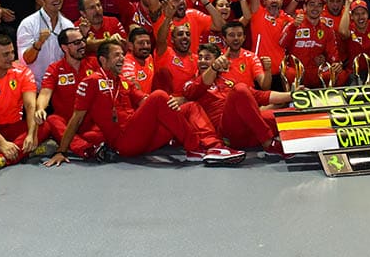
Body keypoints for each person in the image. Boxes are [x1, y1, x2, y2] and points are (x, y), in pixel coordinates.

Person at [44, 40, 244, 166]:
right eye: (117, 55)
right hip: (124, 142)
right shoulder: (92, 81)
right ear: (103, 61)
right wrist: (62, 151)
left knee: (188, 106)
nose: (122, 58)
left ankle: (214, 147)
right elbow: (76, 118)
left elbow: (144, 100)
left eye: (123, 54)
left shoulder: (123, 81)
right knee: (159, 95)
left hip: (143, 137)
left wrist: (169, 105)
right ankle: (194, 147)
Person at [0, 35, 55, 172]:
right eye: (5, 54)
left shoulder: (23, 72)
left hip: (15, 128)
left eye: (12, 52)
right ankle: (27, 152)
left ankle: (0, 159)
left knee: (45, 126)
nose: (11, 57)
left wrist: (31, 134)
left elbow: (30, 105)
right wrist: (1, 143)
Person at [36, 28, 103, 160]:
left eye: (83, 41)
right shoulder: (54, 68)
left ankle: (70, 143)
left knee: (101, 130)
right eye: (77, 43)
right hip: (66, 124)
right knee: (52, 120)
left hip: (90, 123)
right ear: (65, 48)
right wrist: (40, 108)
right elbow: (45, 93)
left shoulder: (95, 63)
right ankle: (86, 149)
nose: (83, 45)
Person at [18, 0, 75, 86]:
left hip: (61, 85)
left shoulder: (68, 25)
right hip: (34, 86)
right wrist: (39, 43)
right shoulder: (28, 23)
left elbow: (73, 57)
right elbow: (25, 60)